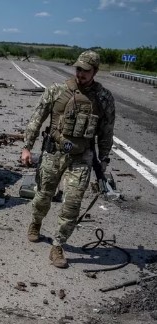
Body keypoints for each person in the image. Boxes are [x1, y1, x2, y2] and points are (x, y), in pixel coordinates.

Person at [20, 50, 115, 268]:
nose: (80, 73)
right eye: (78, 69)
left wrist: (104, 158)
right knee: (44, 195)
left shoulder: (103, 98)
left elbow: (106, 131)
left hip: (82, 157)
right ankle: (36, 223)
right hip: (54, 153)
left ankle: (58, 246)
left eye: (85, 70)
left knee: (72, 204)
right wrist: (27, 147)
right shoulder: (57, 90)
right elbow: (37, 118)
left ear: (95, 71)